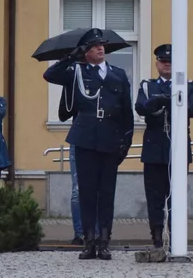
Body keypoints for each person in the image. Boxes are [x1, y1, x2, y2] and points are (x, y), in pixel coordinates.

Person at [44, 31, 134, 260]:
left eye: (101, 45)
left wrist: (126, 141)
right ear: (86, 51)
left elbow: (126, 112)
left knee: (106, 193)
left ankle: (104, 241)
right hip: (84, 139)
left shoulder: (119, 75)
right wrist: (71, 57)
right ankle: (89, 241)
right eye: (94, 46)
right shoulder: (76, 72)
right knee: (86, 193)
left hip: (110, 139)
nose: (100, 49)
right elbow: (50, 74)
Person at [135, 43, 193, 249]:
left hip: (178, 148)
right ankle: (156, 235)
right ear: (157, 64)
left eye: (170, 62)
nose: (167, 66)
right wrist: (158, 101)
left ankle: (176, 236)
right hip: (154, 148)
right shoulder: (148, 85)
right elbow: (140, 107)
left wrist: (173, 102)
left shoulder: (187, 85)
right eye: (163, 62)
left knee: (177, 197)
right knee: (154, 196)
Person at [58, 73, 85, 246]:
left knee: (98, 190)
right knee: (78, 189)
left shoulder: (108, 77)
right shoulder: (74, 80)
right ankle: (80, 233)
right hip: (79, 137)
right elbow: (63, 113)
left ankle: (99, 233)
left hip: (100, 138)